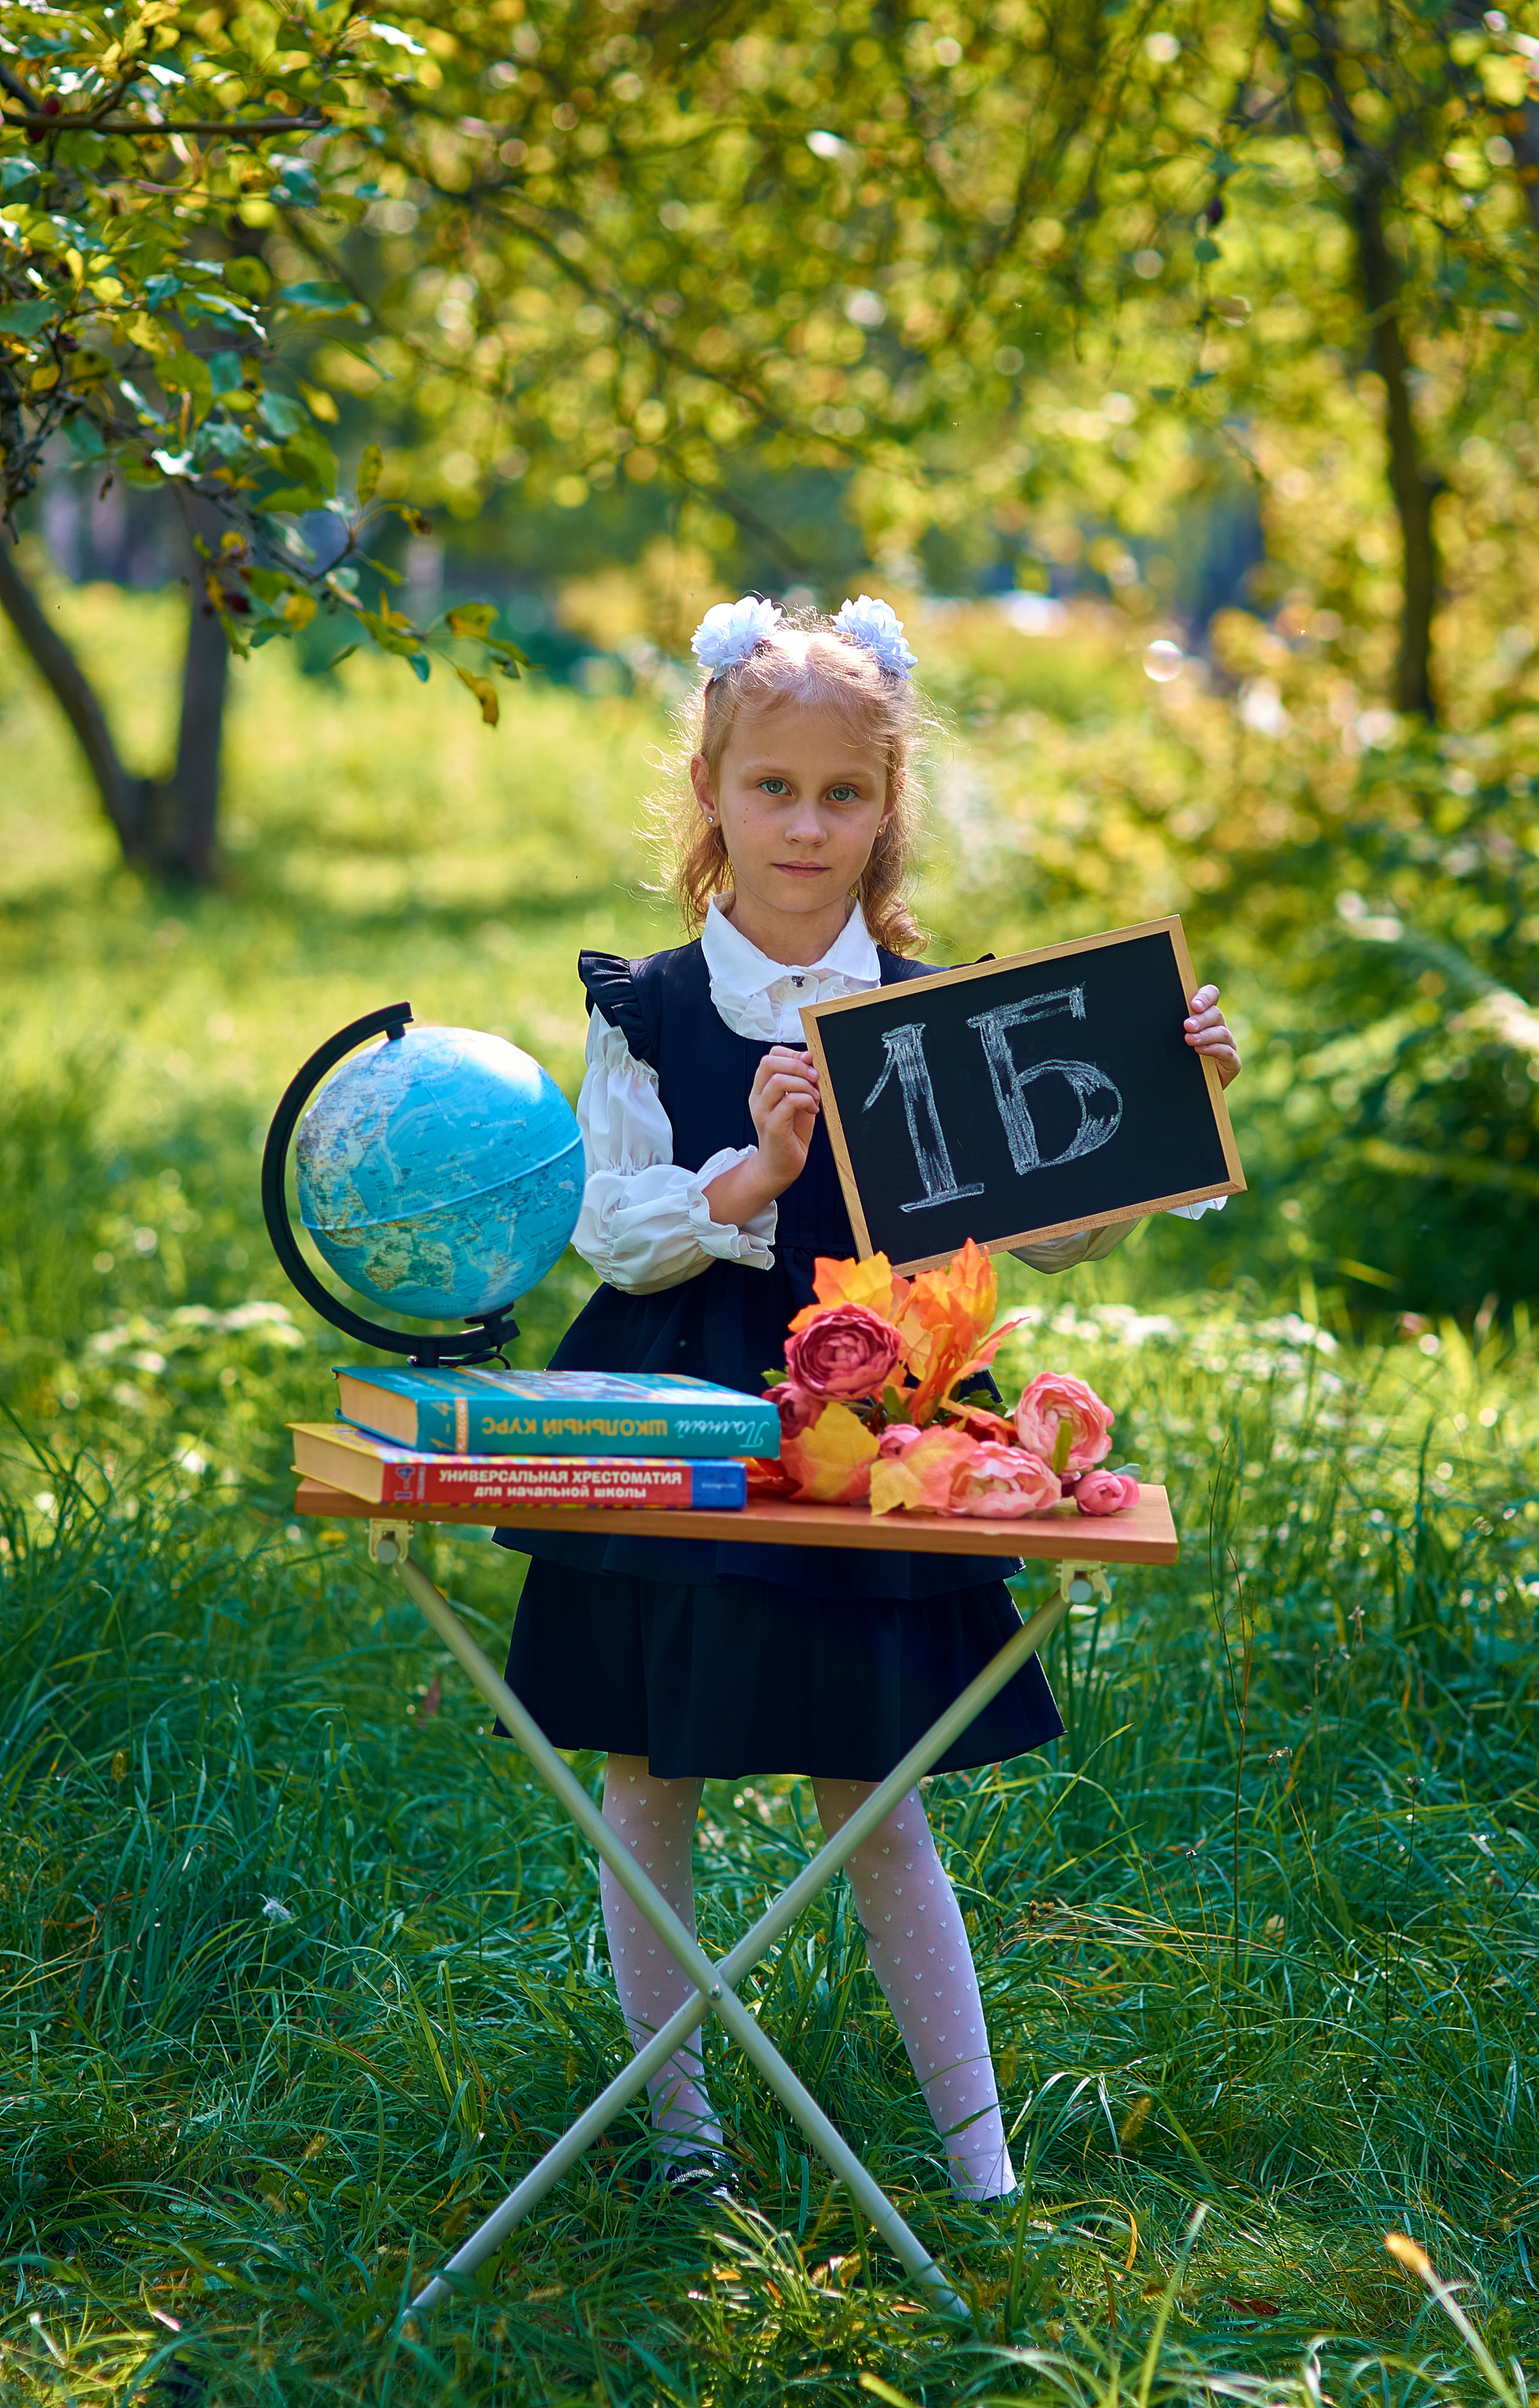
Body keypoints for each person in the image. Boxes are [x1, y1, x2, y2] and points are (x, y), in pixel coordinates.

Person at [496, 594, 1241, 2206]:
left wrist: (1166, 1095)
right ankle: (679, 2131)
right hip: (681, 1397)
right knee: (645, 1775)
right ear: (711, 790)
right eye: (772, 788)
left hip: (881, 1420)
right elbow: (610, 1231)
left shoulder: (931, 1015)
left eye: (843, 794)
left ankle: (976, 2167)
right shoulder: (646, 1010)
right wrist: (751, 1172)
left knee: (878, 1793)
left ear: (886, 804)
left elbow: (1048, 1228)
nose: (806, 824)